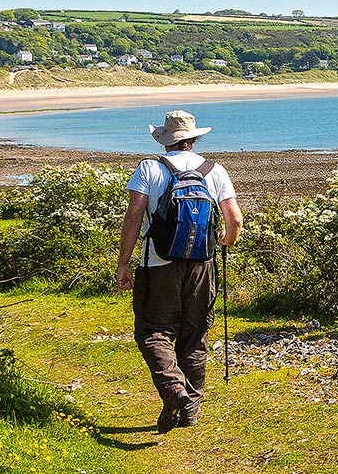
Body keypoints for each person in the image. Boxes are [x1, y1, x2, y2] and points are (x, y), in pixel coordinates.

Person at [115, 110, 242, 433]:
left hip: (158, 263)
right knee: (195, 335)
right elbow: (235, 219)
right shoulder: (214, 170)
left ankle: (173, 388)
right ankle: (190, 412)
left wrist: (123, 263)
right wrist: (227, 240)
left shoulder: (150, 168)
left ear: (165, 138)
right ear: (194, 138)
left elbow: (133, 217)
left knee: (153, 331)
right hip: (202, 264)